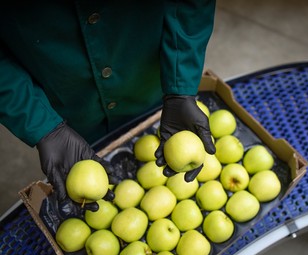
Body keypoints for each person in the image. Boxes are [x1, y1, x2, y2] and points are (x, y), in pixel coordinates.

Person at [0, 0, 216, 218]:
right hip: (67, 104)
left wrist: (179, 84)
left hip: (148, 78)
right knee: (80, 150)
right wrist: (40, 122)